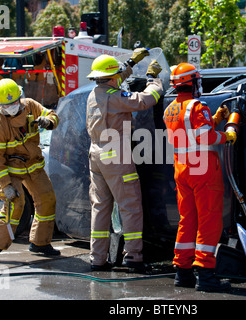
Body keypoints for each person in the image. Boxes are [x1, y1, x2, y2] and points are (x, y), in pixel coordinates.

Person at [86, 49, 163, 272]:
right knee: (130, 206)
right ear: (110, 78)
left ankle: (97, 259)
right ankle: (133, 257)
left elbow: (114, 78)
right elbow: (145, 100)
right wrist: (153, 80)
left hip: (96, 154)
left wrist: (129, 63)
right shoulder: (115, 98)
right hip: (115, 157)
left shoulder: (94, 94)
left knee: (100, 208)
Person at [163, 63, 237, 292]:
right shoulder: (196, 105)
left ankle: (183, 273)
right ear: (192, 82)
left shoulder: (171, 109)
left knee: (187, 220)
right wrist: (228, 135)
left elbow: (192, 134)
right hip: (202, 170)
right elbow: (204, 137)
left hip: (182, 170)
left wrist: (214, 120)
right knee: (209, 220)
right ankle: (206, 274)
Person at [0, 78, 60, 264]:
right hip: (12, 171)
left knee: (48, 199)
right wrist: (6, 185)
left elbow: (52, 115)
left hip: (34, 166)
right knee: (14, 206)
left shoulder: (30, 106)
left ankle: (40, 243)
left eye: (15, 102)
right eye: (7, 104)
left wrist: (48, 122)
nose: (12, 106)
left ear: (21, 97)